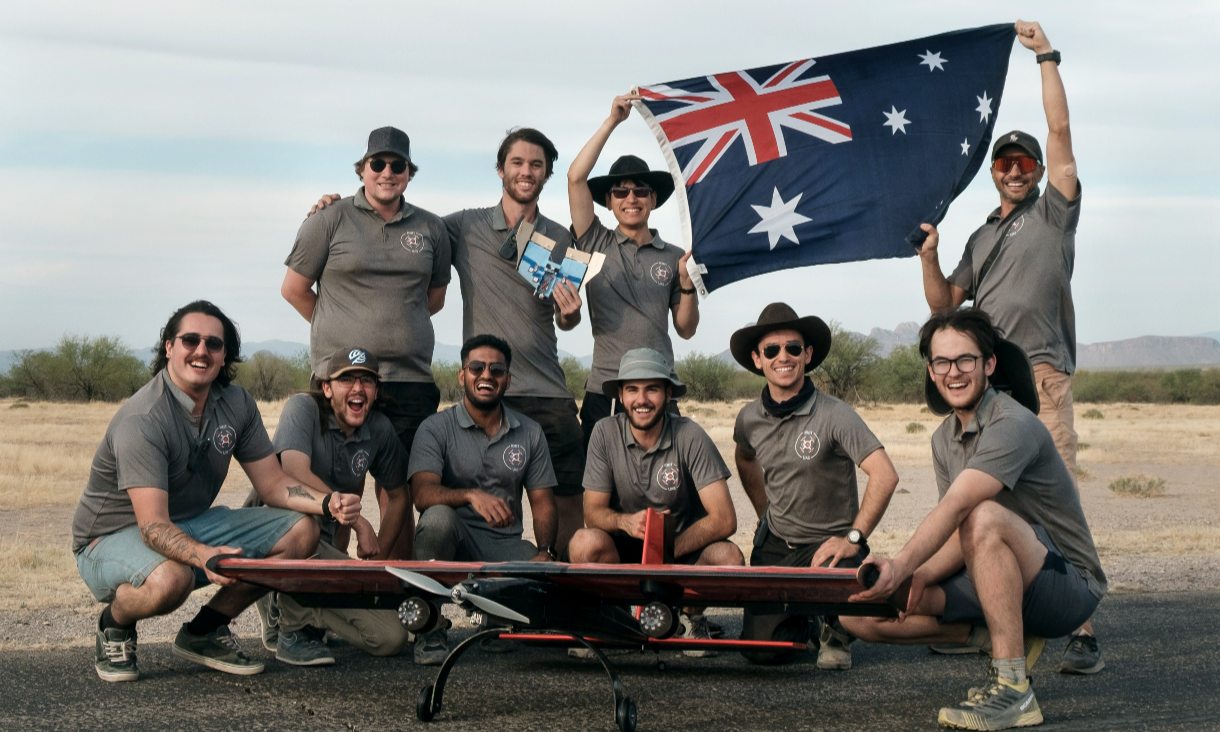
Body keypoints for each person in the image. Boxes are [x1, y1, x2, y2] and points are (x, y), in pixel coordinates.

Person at [916, 20, 1101, 674]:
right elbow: (944, 304)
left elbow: (1061, 138)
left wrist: (1046, 57)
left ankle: (1079, 629)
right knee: (978, 505)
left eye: (1026, 163)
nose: (1018, 170)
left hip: (1040, 382)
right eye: (1007, 162)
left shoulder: (1054, 213)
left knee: (1054, 501)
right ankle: (984, 617)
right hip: (986, 392)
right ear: (993, 172)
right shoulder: (981, 236)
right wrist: (931, 257)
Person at [313, 128, 585, 556]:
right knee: (443, 502)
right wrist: (339, 206)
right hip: (487, 385)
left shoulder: (562, 239)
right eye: (517, 162)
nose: (526, 171)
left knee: (567, 499)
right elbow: (401, 221)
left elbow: (568, 317)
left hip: (546, 390)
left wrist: (571, 315)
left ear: (547, 172)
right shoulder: (461, 226)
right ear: (500, 169)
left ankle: (572, 595)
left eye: (536, 164)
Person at [845, 308, 1106, 731]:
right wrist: (918, 578)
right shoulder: (942, 439)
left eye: (965, 359)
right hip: (999, 572)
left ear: (989, 364)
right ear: (931, 371)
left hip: (1066, 584)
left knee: (982, 513)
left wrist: (903, 565)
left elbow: (959, 510)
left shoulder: (1013, 423)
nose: (954, 372)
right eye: (942, 362)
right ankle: (997, 639)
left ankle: (1013, 690)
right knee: (860, 615)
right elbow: (957, 535)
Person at [72, 300, 360, 682]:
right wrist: (204, 556)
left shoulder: (236, 403)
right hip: (108, 539)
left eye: (214, 343)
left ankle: (205, 629)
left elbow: (273, 484)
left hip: (187, 523)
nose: (202, 350)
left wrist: (327, 503)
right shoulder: (143, 418)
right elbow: (153, 527)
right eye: (190, 339)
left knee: (302, 531)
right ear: (169, 347)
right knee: (174, 578)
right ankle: (115, 623)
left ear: (225, 356)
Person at [281, 126, 450, 557]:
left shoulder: (431, 229)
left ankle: (392, 587)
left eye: (398, 165)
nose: (387, 172)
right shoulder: (328, 219)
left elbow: (433, 299)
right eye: (379, 163)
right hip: (341, 378)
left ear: (410, 173)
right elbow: (295, 289)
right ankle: (328, 584)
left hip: (408, 380)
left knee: (402, 489)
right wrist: (339, 331)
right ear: (362, 169)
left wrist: (394, 326)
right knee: (336, 483)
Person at [731, 303, 899, 669]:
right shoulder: (749, 418)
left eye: (793, 348)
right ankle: (804, 619)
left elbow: (885, 475)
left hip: (830, 547)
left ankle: (835, 628)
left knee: (850, 583)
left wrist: (853, 537)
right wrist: (764, 513)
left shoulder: (835, 414)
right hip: (777, 545)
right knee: (763, 653)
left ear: (807, 354)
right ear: (758, 359)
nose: (783, 357)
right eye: (771, 350)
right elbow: (744, 458)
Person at [568, 348, 741, 654]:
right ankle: (614, 616)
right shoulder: (604, 432)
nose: (642, 400)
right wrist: (624, 522)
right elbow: (593, 514)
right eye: (632, 389)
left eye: (652, 389)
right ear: (620, 396)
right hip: (625, 546)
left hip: (680, 549)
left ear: (668, 393)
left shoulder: (690, 434)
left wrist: (665, 551)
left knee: (729, 557)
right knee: (583, 543)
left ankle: (690, 619)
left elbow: (725, 519)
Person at [408, 334, 558, 664]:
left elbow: (543, 501)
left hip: (504, 545)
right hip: (454, 538)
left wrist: (546, 550)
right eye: (477, 367)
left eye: (496, 369)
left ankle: (492, 623)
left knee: (542, 573)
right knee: (436, 520)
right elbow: (421, 494)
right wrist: (469, 495)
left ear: (507, 379)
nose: (486, 376)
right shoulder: (435, 427)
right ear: (462, 375)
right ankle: (430, 627)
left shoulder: (529, 432)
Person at [261, 346, 412, 666]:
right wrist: (359, 522)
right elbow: (292, 473)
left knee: (391, 638)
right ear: (327, 387)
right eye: (347, 379)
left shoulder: (379, 429)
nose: (358, 388)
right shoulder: (302, 408)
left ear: (375, 391)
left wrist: (378, 561)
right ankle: (293, 628)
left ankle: (297, 603)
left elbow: (399, 495)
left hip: (327, 541)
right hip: (277, 525)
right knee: (304, 520)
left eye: (367, 381)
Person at [567, 94, 700, 448]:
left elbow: (686, 329)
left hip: (659, 388)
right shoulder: (594, 240)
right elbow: (575, 178)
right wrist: (613, 120)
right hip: (606, 388)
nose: (631, 198)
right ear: (608, 202)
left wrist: (686, 284)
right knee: (598, 491)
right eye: (620, 191)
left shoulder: (675, 257)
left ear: (653, 199)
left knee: (665, 486)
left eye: (641, 190)